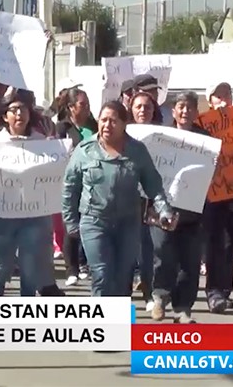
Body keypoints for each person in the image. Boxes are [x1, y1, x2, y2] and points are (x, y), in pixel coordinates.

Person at [61, 100, 174, 297]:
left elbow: (153, 185)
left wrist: (164, 210)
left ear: (124, 124)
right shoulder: (84, 150)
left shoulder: (137, 151)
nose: (107, 125)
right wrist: (71, 222)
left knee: (123, 278)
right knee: (102, 274)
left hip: (128, 223)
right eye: (103, 120)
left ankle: (120, 324)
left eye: (113, 121)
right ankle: (101, 323)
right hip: (94, 221)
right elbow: (70, 187)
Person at [149, 92, 210, 324]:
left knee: (190, 261)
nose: (185, 112)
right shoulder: (162, 136)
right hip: (164, 208)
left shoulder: (206, 140)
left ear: (196, 112)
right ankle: (159, 298)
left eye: (190, 108)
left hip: (193, 212)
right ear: (173, 111)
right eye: (181, 107)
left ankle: (183, 308)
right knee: (163, 254)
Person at [0, 94, 54, 296]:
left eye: (23, 110)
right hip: (3, 213)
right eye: (13, 110)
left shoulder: (41, 141)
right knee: (2, 265)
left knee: (30, 264)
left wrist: (52, 149)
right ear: (5, 116)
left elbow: (51, 174)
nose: (18, 114)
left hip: (33, 214)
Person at [203, 81, 233, 313]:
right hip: (212, 194)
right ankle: (214, 291)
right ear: (210, 100)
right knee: (216, 243)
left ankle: (225, 290)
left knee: (230, 245)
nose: (224, 100)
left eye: (227, 95)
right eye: (218, 96)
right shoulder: (203, 125)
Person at [54, 87, 95, 285]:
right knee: (70, 223)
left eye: (88, 104)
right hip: (69, 182)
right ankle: (71, 268)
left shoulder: (93, 126)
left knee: (88, 222)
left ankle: (84, 262)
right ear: (71, 107)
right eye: (82, 104)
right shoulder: (61, 128)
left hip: (91, 182)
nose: (87, 108)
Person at [129, 91, 160, 311]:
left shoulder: (164, 135)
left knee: (148, 248)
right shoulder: (123, 132)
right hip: (125, 200)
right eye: (138, 106)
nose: (142, 110)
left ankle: (150, 292)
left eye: (147, 107)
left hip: (151, 200)